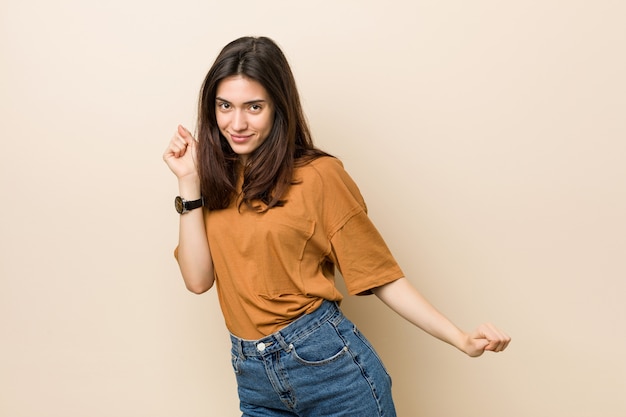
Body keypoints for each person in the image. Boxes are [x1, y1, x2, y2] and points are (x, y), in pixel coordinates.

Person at [163, 36, 510, 417]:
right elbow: (197, 281)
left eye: (254, 107)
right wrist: (188, 183)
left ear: (279, 107)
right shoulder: (214, 182)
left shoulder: (318, 177)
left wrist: (460, 338)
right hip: (253, 378)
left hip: (329, 370)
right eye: (225, 106)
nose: (237, 122)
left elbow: (380, 275)